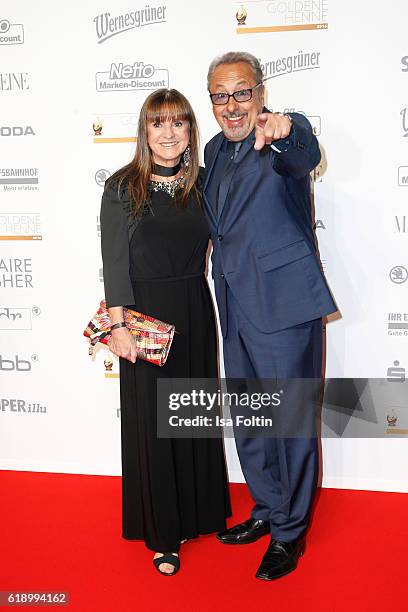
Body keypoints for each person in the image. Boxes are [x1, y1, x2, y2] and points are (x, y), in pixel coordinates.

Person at [203, 51, 337, 580]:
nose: (232, 105)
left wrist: (285, 131)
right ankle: (267, 508)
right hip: (234, 302)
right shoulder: (211, 150)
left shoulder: (284, 133)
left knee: (290, 420)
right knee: (252, 416)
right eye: (219, 95)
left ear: (260, 91)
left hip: (284, 302)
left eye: (241, 92)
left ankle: (291, 531)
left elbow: (304, 152)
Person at [100, 88, 231, 576]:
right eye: (159, 123)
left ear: (191, 132)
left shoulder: (201, 185)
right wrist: (118, 327)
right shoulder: (121, 187)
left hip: (195, 308)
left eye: (179, 123)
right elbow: (114, 262)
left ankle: (199, 512)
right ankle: (165, 534)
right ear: (145, 131)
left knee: (192, 413)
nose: (169, 133)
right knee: (155, 423)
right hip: (143, 317)